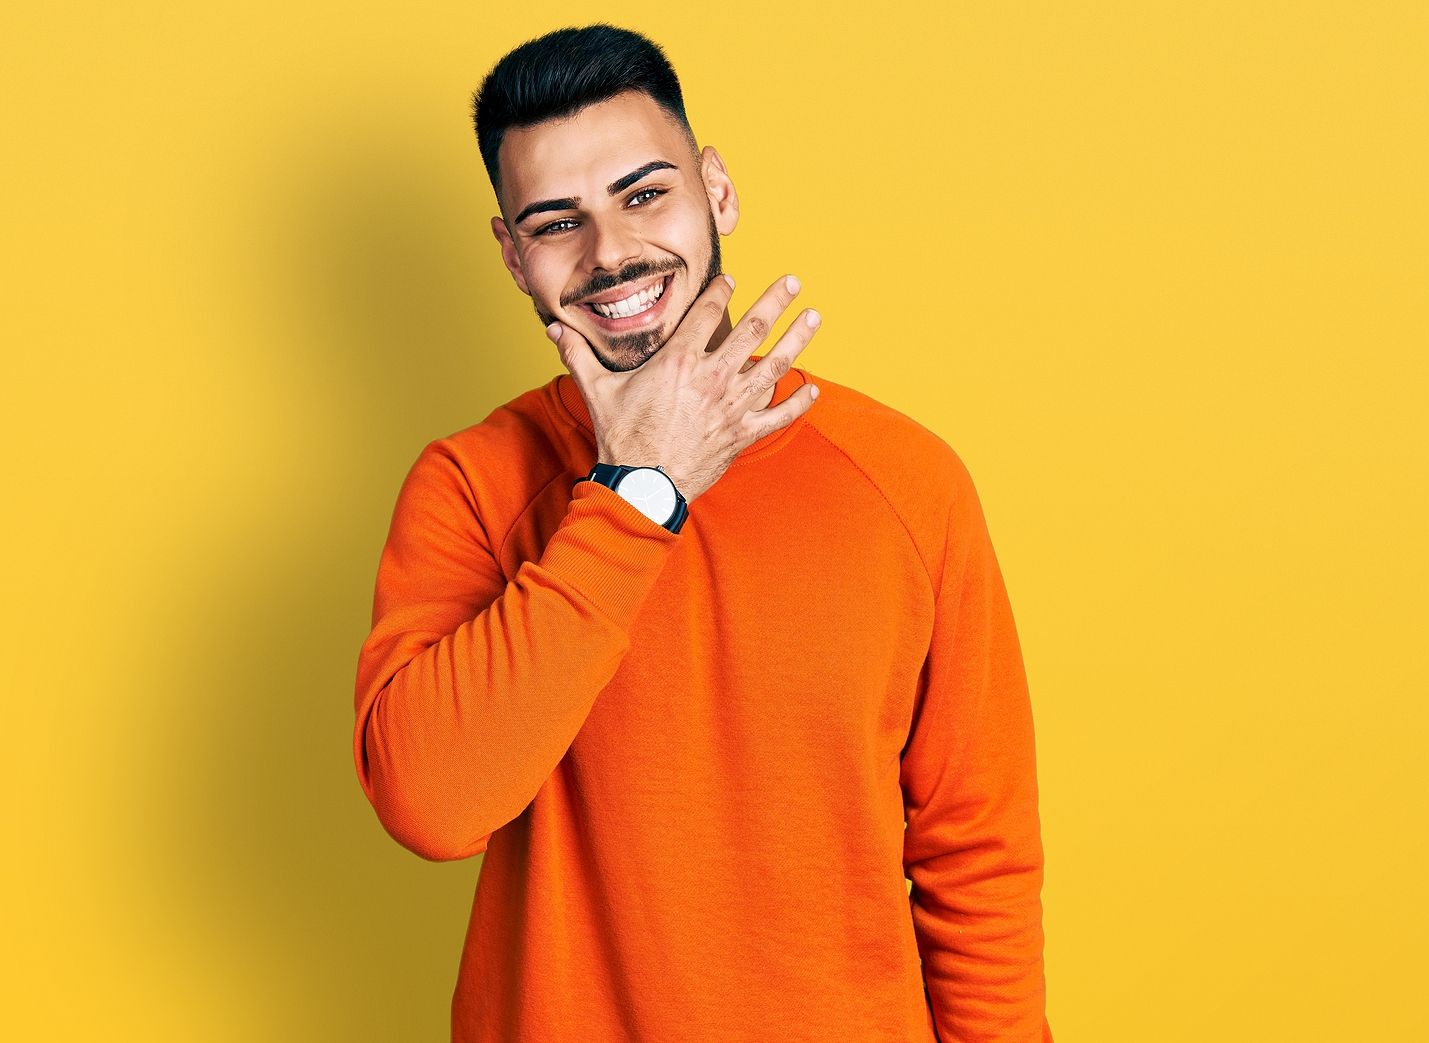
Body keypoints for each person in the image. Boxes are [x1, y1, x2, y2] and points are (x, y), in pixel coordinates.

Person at [352, 22, 1054, 1043]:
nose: (611, 252)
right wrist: (642, 491)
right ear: (512, 256)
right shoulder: (471, 483)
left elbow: (977, 853)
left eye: (645, 195)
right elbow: (431, 803)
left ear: (715, 190)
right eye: (557, 223)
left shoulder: (905, 480)